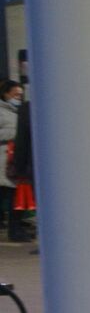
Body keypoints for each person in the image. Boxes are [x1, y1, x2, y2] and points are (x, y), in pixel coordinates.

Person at [0, 80, 18, 239]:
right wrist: (14, 134)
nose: (18, 97)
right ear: (6, 94)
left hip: (12, 159)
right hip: (2, 157)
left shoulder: (17, 111)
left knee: (13, 193)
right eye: (14, 94)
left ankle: (14, 228)